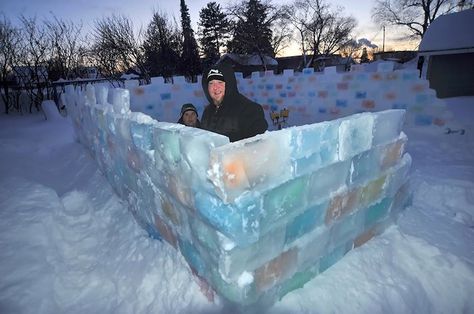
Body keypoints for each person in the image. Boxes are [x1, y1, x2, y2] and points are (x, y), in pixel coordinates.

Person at [200, 64, 268, 142]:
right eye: (211, 83)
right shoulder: (207, 112)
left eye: (220, 82)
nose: (215, 87)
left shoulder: (249, 110)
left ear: (229, 84)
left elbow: (258, 148)